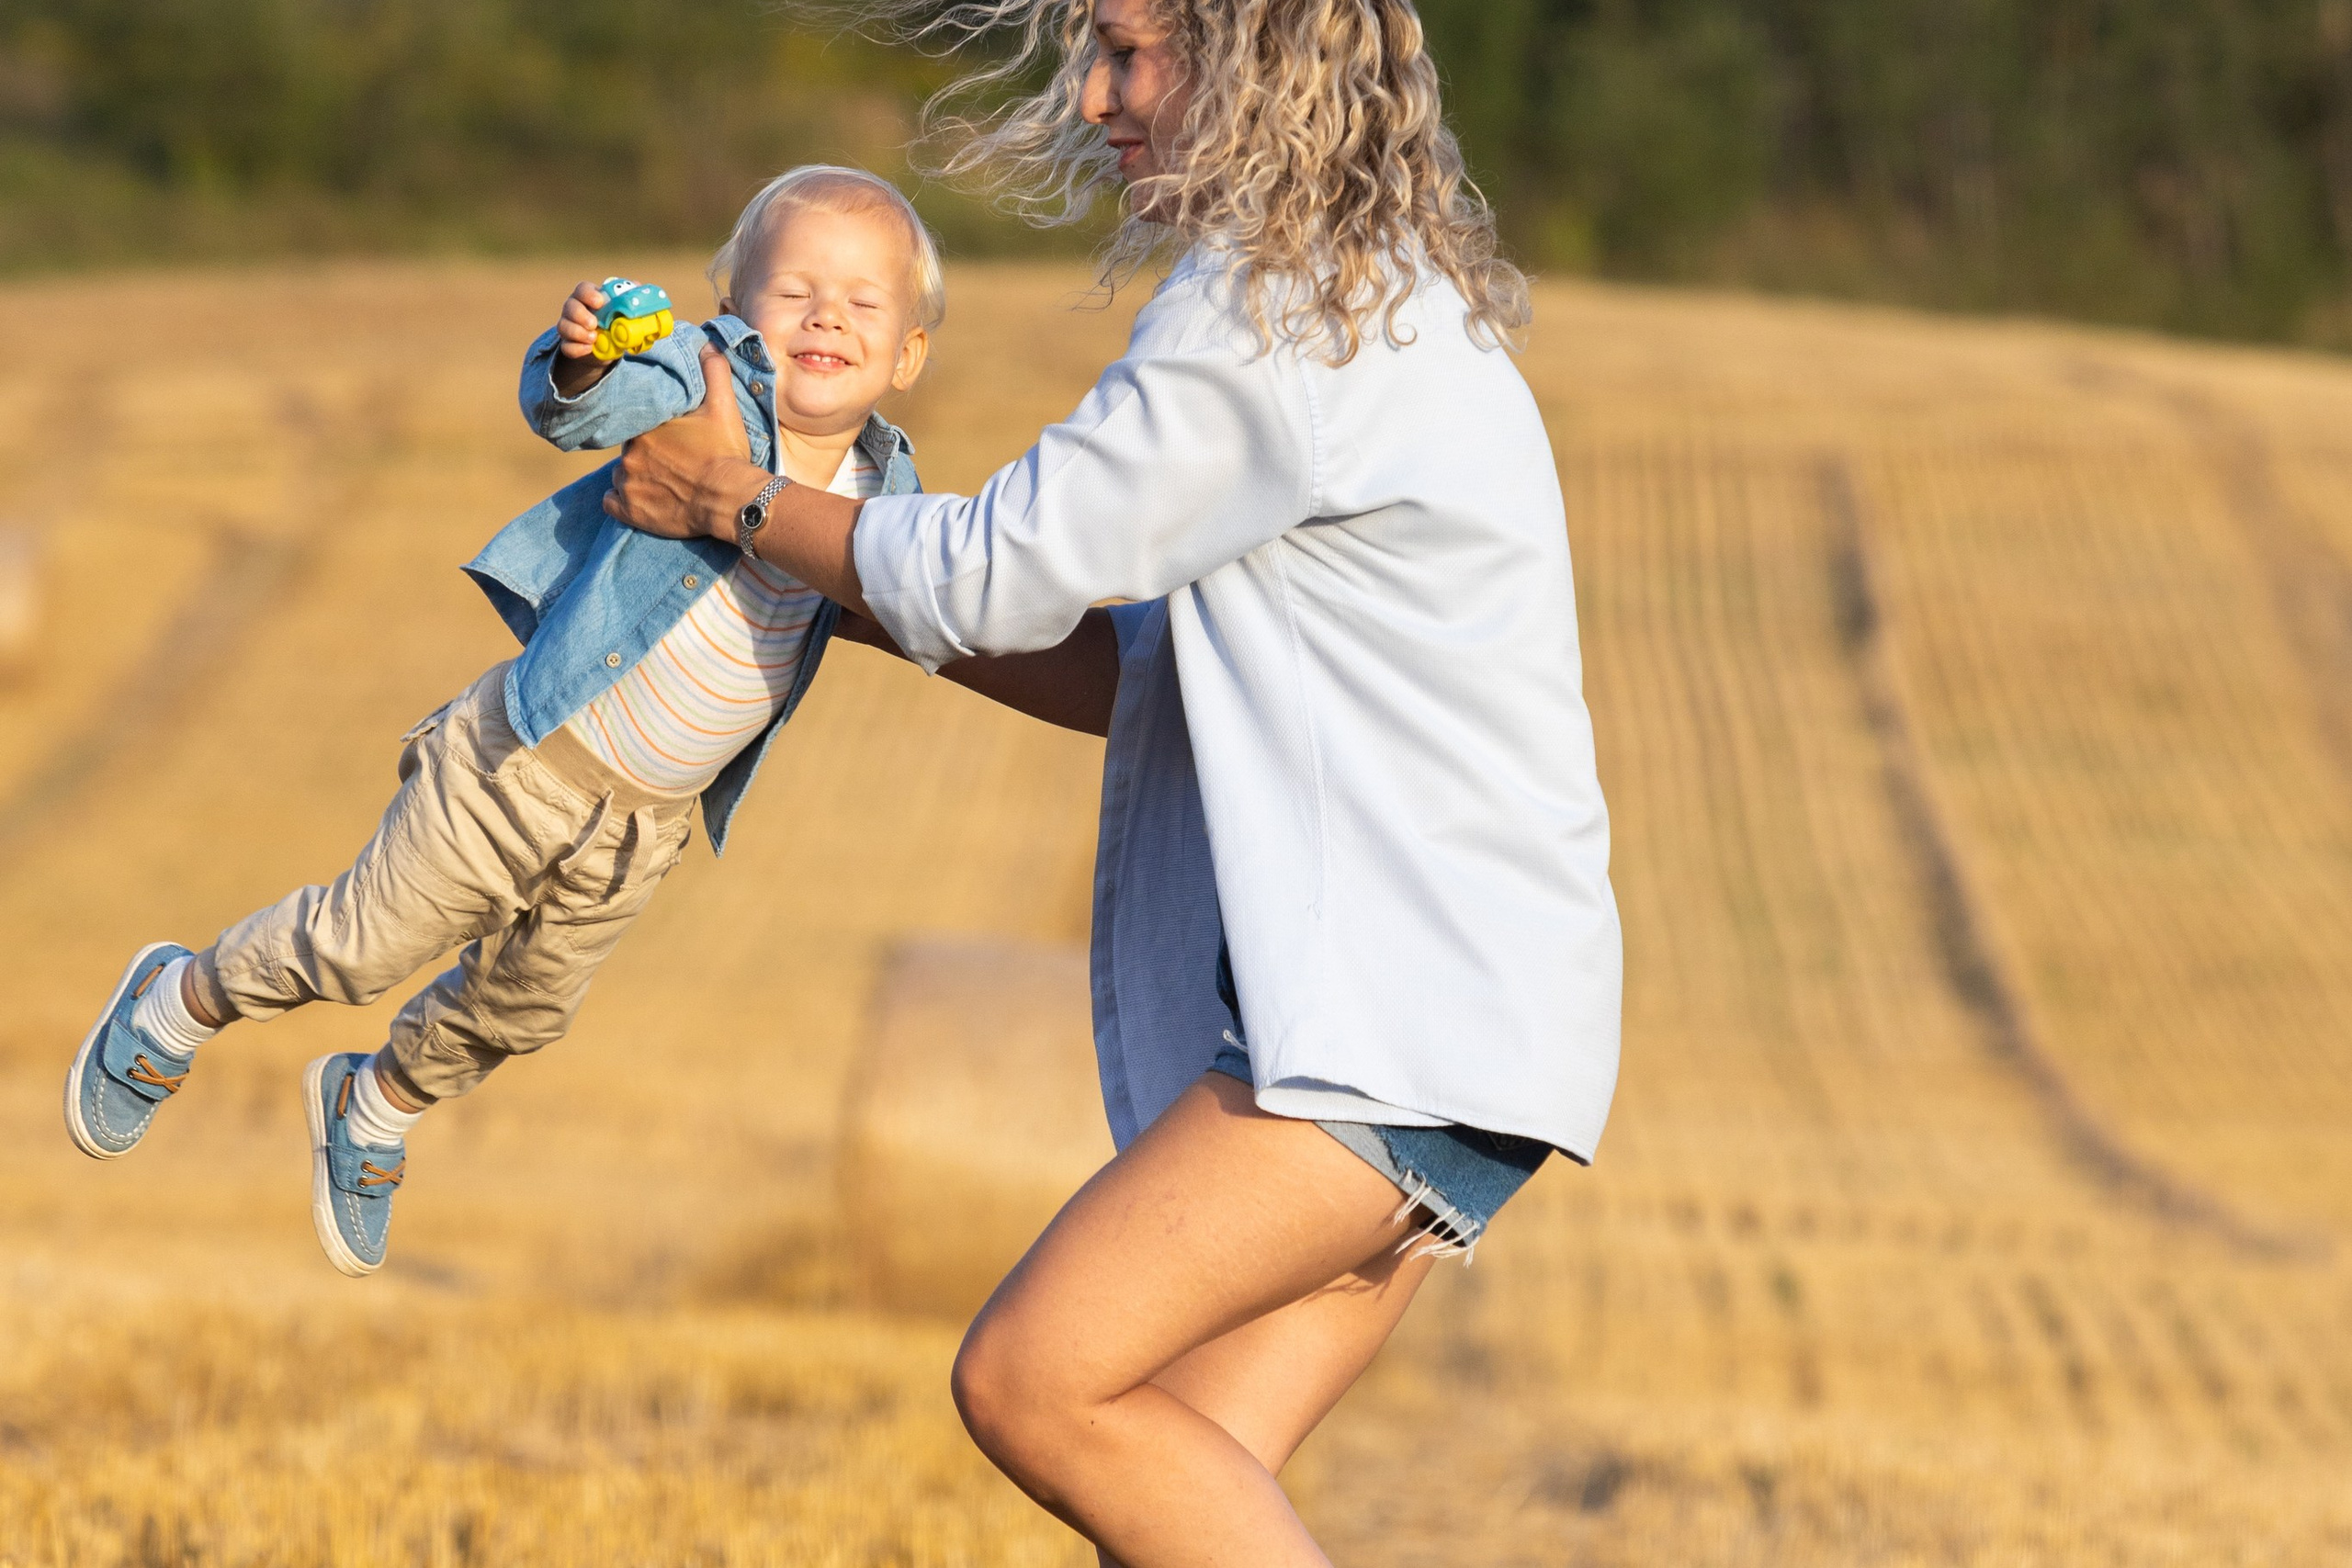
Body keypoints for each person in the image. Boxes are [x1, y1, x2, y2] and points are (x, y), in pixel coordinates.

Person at [605, 2, 1621, 1562]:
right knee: (1177, 1475)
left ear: (1248, 53)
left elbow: (1002, 570)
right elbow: (1130, 668)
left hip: (1394, 1012)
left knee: (1036, 1384)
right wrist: (831, 590)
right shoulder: (1366, 296)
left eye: (1131, 50)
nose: (1093, 95)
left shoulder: (1277, 314)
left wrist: (742, 500)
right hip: (1463, 1009)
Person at [62, 165, 940, 1279]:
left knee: (526, 1010)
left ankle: (373, 1102)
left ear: (907, 353)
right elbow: (576, 410)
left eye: (865, 304)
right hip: (524, 760)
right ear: (733, 304)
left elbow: (926, 598)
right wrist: (581, 360)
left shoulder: (892, 495)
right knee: (359, 946)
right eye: (795, 290)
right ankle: (177, 1002)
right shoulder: (700, 375)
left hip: (643, 827)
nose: (826, 316)